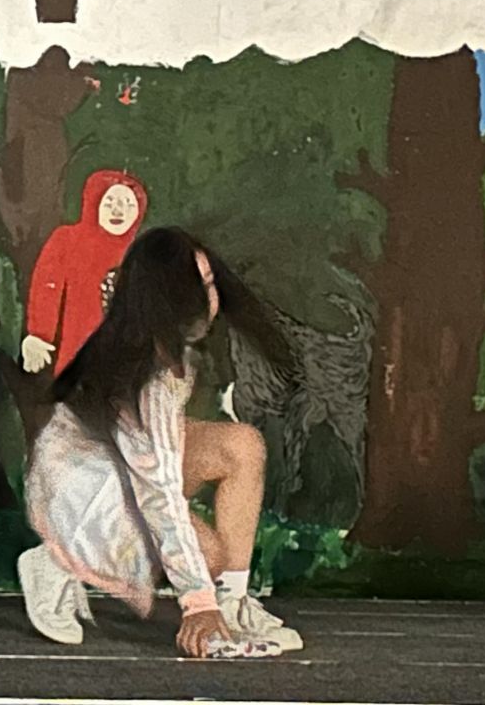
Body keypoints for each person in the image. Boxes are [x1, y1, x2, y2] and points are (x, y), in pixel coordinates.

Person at [18, 227, 304, 658]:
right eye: (200, 286)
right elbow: (159, 493)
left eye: (212, 283)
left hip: (115, 475)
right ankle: (56, 561)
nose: (213, 298)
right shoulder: (144, 375)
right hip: (79, 503)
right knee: (208, 558)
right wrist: (198, 603)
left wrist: (215, 600)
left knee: (241, 446)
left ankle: (234, 604)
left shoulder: (165, 350)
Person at [21, 169, 149, 377]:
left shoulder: (141, 253)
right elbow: (47, 286)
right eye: (109, 203)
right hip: (77, 359)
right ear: (95, 204)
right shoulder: (68, 240)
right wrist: (39, 334)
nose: (118, 211)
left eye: (128, 204)